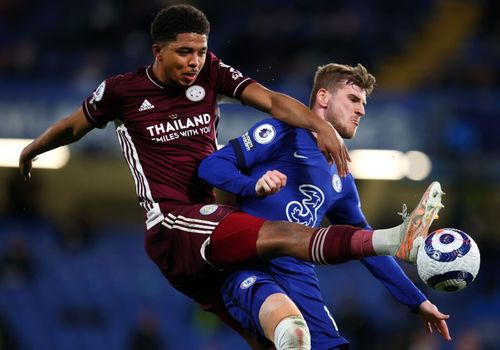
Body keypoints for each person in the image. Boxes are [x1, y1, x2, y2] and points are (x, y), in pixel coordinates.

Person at [18, 5, 443, 349]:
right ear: (158, 50)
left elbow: (273, 99)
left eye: (201, 52)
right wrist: (34, 148)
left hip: (228, 240)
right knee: (279, 233)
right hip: (174, 221)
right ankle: (397, 237)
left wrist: (416, 300)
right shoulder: (122, 91)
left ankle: (389, 246)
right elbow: (77, 126)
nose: (195, 62)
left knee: (289, 339)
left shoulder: (213, 74)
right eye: (185, 52)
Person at [199, 63, 451, 349]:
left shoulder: (342, 178)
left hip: (298, 276)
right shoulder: (283, 132)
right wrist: (251, 186)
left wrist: (417, 301)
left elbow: (366, 246)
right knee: (292, 335)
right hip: (249, 265)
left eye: (364, 104)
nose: (361, 111)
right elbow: (211, 166)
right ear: (323, 98)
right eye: (353, 99)